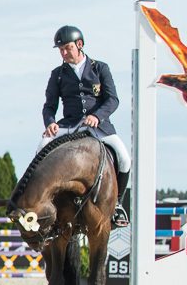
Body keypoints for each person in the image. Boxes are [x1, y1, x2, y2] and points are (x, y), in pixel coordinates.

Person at [40, 25, 131, 227]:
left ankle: (117, 205)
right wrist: (50, 122)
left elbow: (113, 99)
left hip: (99, 126)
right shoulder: (57, 74)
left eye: (67, 48)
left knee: (124, 159)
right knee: (42, 146)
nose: (64, 53)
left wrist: (97, 116)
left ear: (79, 44)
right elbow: (49, 105)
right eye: (61, 49)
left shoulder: (100, 68)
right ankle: (43, 202)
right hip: (70, 124)